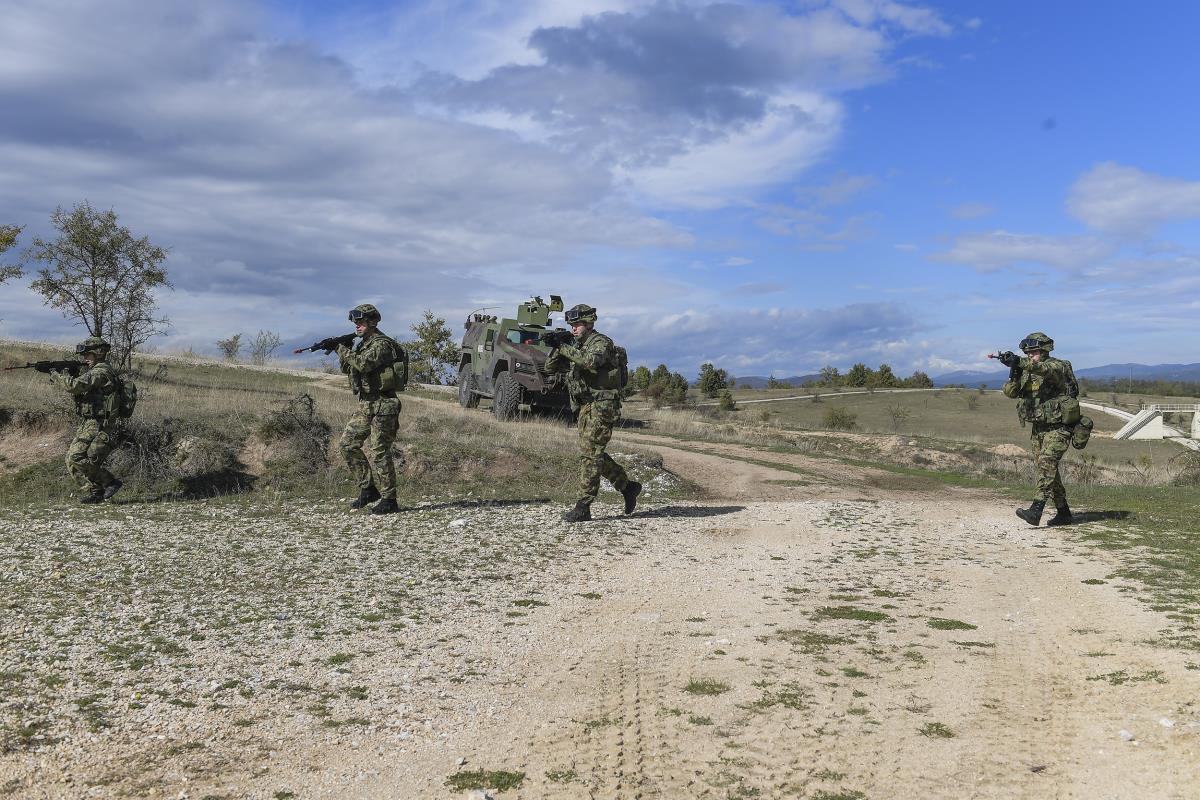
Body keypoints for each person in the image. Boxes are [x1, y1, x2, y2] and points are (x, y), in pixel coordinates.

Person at [545, 303, 641, 522]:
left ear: (589, 323)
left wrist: (566, 347)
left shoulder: (601, 343)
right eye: (571, 326)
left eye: (577, 325)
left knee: (590, 454)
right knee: (591, 452)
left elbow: (590, 362)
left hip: (603, 406)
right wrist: (557, 346)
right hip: (585, 407)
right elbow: (550, 368)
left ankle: (583, 506)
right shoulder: (575, 345)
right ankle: (627, 487)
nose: (574, 329)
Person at [1000, 331, 1077, 527]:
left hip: (1060, 426)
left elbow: (1044, 369)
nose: (1030, 356)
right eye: (1027, 353)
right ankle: (1064, 512)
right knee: (1048, 469)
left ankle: (1036, 511)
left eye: (1033, 352)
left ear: (1044, 351)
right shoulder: (1027, 370)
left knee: (1046, 464)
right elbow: (1011, 393)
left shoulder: (1058, 365)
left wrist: (1019, 362)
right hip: (1039, 427)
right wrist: (1014, 371)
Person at [336, 303, 404, 515]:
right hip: (367, 403)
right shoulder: (363, 344)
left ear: (372, 322)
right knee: (347, 444)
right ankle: (368, 488)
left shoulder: (382, 344)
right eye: (356, 322)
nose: (357, 325)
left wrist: (341, 348)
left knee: (380, 452)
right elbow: (349, 367)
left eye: (361, 322)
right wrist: (343, 350)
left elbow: (364, 364)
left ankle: (389, 499)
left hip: (384, 404)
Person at [55, 337, 124, 503]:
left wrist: (57, 375)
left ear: (98, 354)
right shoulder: (93, 371)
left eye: (88, 355)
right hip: (88, 421)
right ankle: (96, 492)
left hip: (99, 423)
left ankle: (110, 482)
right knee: (71, 460)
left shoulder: (101, 371)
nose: (85, 358)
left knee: (76, 456)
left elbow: (73, 386)